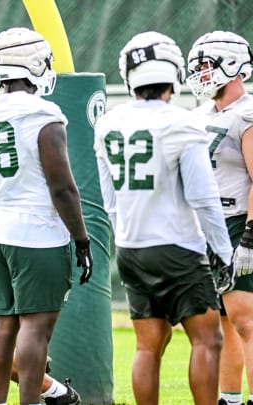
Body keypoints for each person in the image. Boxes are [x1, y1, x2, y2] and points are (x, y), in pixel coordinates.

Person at [94, 31, 232, 404]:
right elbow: (204, 198)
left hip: (130, 248)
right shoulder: (183, 122)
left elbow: (110, 202)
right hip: (176, 246)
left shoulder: (108, 123)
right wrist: (223, 250)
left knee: (148, 344)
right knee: (208, 338)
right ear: (173, 72)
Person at [0, 27, 92, 405]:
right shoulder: (43, 113)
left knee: (4, 326)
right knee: (36, 328)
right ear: (33, 62)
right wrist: (82, 239)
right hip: (36, 233)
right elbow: (63, 187)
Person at [186, 31, 253, 405]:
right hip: (207, 225)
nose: (201, 73)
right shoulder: (199, 114)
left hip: (238, 221)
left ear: (233, 65)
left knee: (246, 320)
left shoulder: (247, 113)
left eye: (208, 65)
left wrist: (250, 236)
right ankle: (228, 399)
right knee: (225, 322)